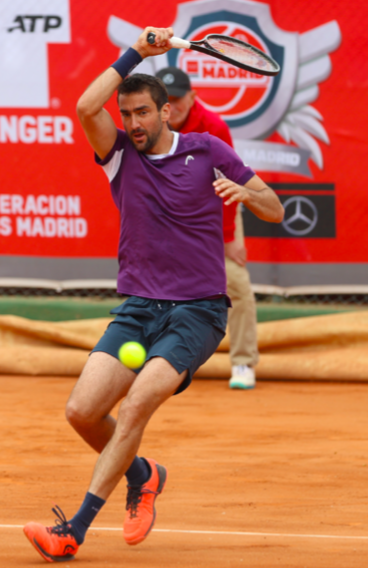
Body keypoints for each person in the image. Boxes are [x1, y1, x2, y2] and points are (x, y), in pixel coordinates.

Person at [23, 27, 283, 563]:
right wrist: (137, 53)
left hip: (199, 313)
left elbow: (276, 209)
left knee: (138, 402)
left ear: (167, 113)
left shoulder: (208, 150)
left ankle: (74, 529)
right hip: (139, 310)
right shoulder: (120, 156)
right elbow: (83, 105)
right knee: (82, 412)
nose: (133, 124)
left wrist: (247, 192)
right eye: (127, 115)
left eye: (143, 113)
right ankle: (145, 476)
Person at [155, 66, 260, 390]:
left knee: (237, 285)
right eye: (166, 98)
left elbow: (231, 185)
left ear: (193, 96)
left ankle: (243, 362)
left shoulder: (213, 128)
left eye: (178, 97)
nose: (173, 104)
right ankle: (162, 361)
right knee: (159, 286)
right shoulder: (150, 126)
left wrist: (228, 238)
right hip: (168, 215)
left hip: (215, 212)